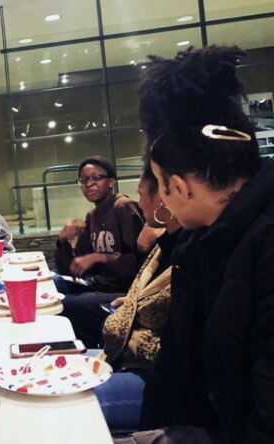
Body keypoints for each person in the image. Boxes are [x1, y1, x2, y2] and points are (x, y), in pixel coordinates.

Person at [126, 46, 274, 443]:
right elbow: (173, 375)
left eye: (157, 184)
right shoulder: (199, 243)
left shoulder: (263, 247)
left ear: (177, 187)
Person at [91, 160, 182, 433]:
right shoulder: (164, 244)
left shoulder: (193, 252)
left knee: (69, 403)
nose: (139, 202)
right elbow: (143, 293)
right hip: (125, 358)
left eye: (142, 194)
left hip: (157, 380)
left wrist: (130, 318)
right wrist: (132, 302)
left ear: (166, 196)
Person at [54, 156, 144, 295]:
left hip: (123, 291)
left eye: (96, 178)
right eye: (83, 180)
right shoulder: (92, 216)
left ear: (111, 182)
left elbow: (138, 261)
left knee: (66, 302)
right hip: (98, 284)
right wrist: (63, 239)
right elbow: (74, 268)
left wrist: (99, 257)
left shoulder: (124, 207)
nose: (88, 184)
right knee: (51, 283)